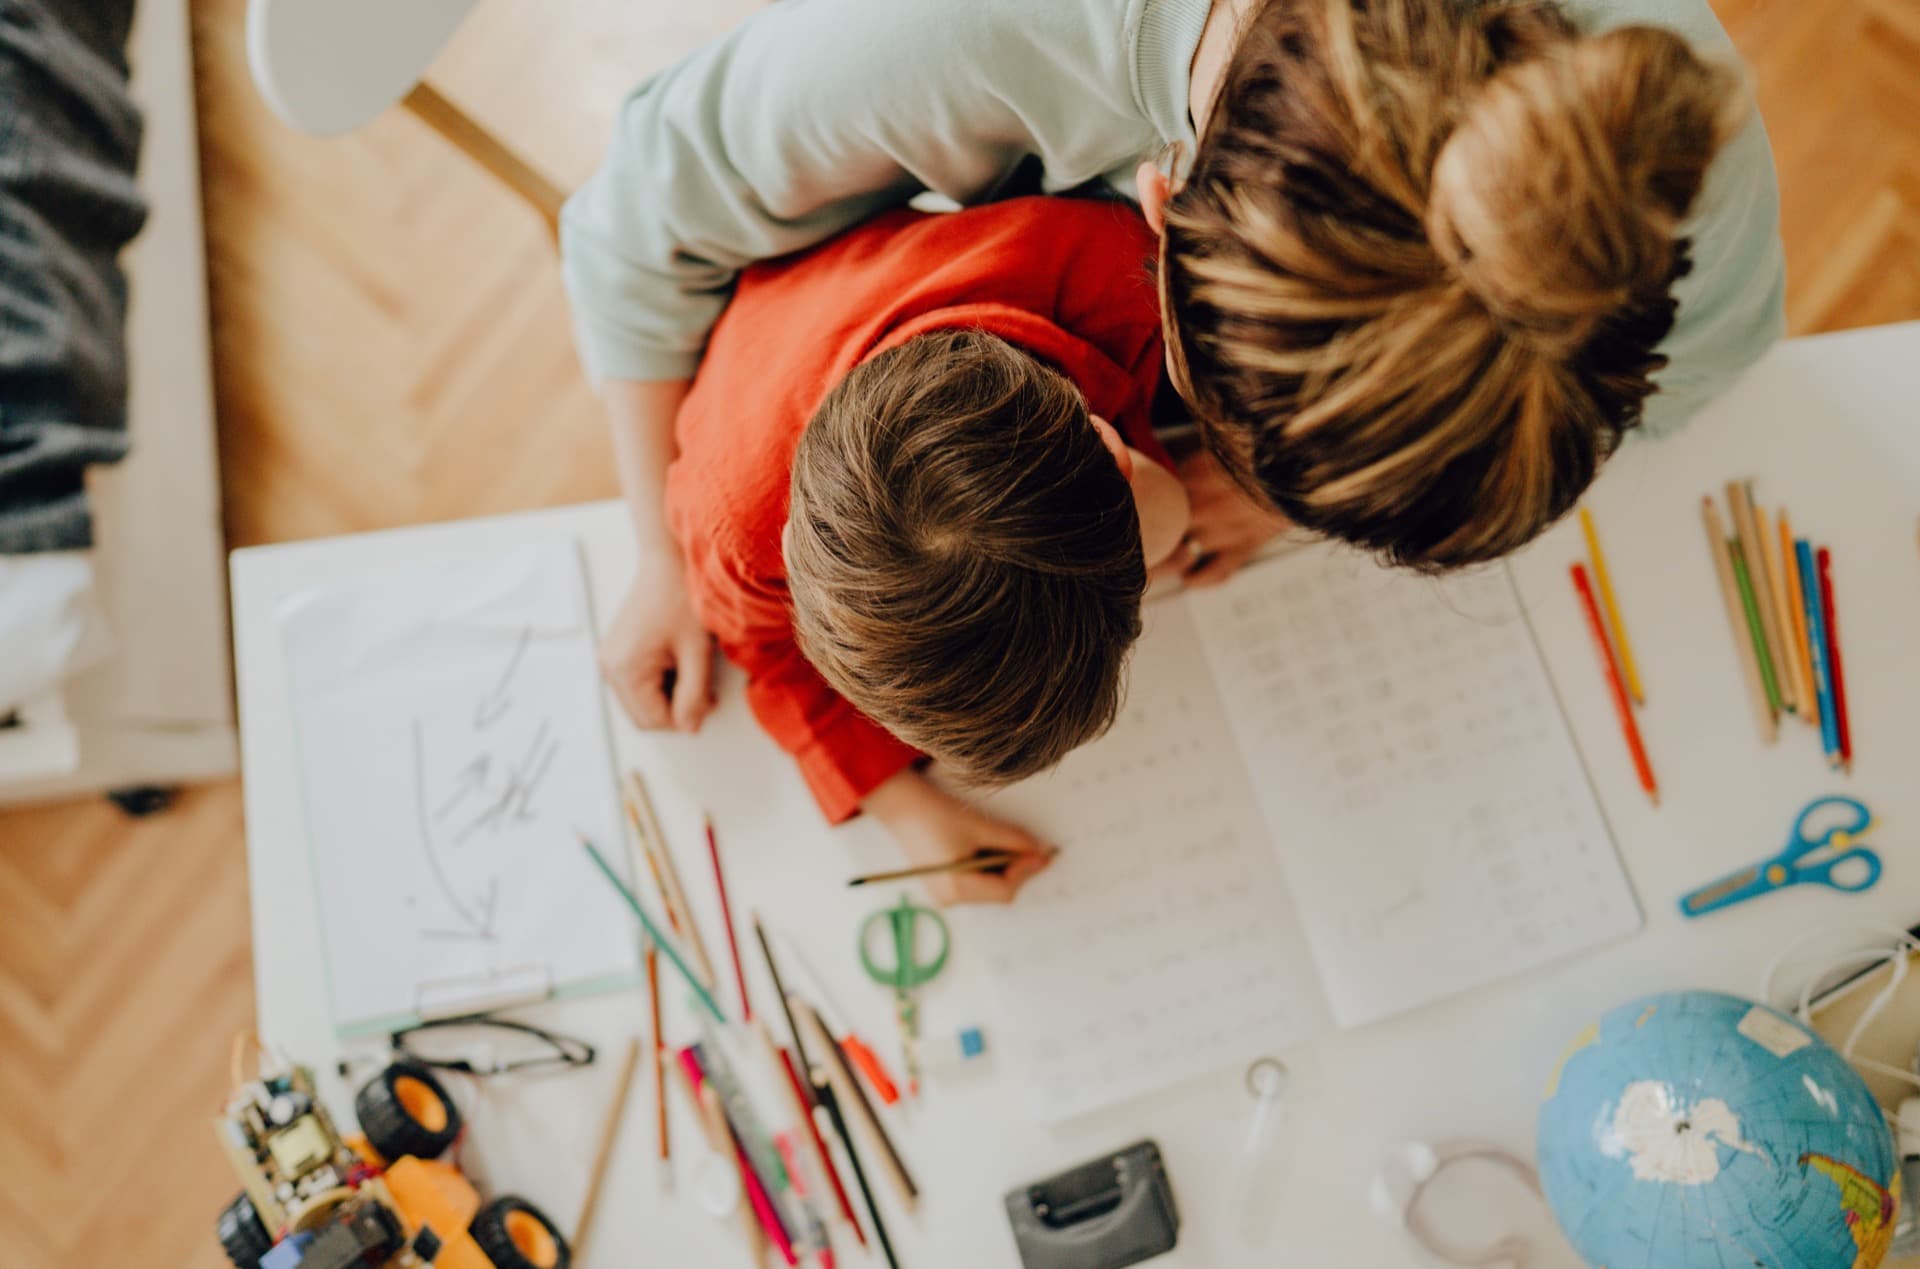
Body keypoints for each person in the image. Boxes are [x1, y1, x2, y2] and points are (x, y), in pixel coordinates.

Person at [563, 0, 1784, 740]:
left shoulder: (1665, 177)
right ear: (1161, 194)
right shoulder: (954, 35)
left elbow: (1696, 372)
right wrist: (664, 557)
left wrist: (1258, 492)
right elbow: (627, 229)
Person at [666, 196, 1196, 903]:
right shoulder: (736, 521)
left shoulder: (1126, 273)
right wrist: (902, 805)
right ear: (788, 551)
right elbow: (761, 647)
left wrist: (1162, 515)